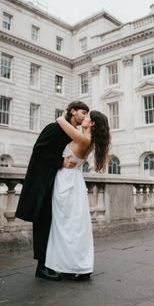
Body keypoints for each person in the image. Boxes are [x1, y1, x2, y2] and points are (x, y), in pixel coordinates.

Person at [15, 101, 89, 281]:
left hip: (56, 183)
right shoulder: (54, 128)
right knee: (43, 223)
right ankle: (41, 267)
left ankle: (54, 263)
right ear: (73, 112)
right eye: (83, 112)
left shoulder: (71, 131)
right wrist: (60, 161)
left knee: (54, 224)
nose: (85, 116)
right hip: (42, 183)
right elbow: (39, 149)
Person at [45, 110, 111, 281]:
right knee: (74, 226)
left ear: (92, 124)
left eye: (87, 117)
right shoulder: (88, 139)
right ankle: (77, 265)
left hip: (67, 180)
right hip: (73, 180)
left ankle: (72, 265)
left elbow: (60, 120)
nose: (83, 118)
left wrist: (71, 113)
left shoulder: (84, 138)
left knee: (66, 226)